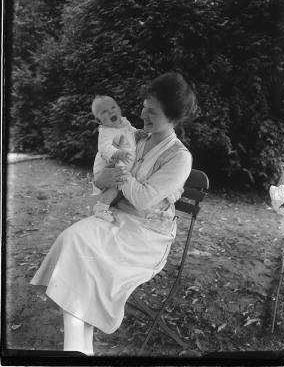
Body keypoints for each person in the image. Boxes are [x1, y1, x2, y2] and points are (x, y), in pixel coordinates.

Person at [30, 72, 196, 355]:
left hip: (146, 236)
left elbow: (143, 200)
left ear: (172, 118)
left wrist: (118, 174)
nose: (142, 113)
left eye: (152, 111)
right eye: (144, 105)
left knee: (84, 258)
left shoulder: (180, 158)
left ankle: (75, 351)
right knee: (73, 241)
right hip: (116, 218)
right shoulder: (136, 137)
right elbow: (102, 176)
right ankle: (80, 349)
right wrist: (104, 178)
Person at [91, 95, 137, 222]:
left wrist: (138, 133)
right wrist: (118, 153)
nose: (111, 111)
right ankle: (101, 208)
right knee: (117, 184)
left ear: (119, 108)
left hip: (120, 162)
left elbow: (131, 132)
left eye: (113, 107)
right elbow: (104, 148)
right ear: (98, 119)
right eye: (104, 112)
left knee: (120, 184)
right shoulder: (106, 131)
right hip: (109, 163)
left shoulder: (124, 123)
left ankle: (104, 206)